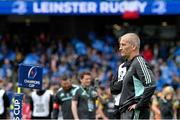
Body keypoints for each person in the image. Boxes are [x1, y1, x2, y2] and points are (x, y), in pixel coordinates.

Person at [116, 33, 156, 119]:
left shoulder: (139, 62)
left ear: (133, 47)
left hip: (135, 113)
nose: (120, 48)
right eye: (120, 45)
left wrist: (139, 105)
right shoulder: (130, 64)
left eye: (123, 45)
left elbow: (151, 84)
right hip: (127, 112)